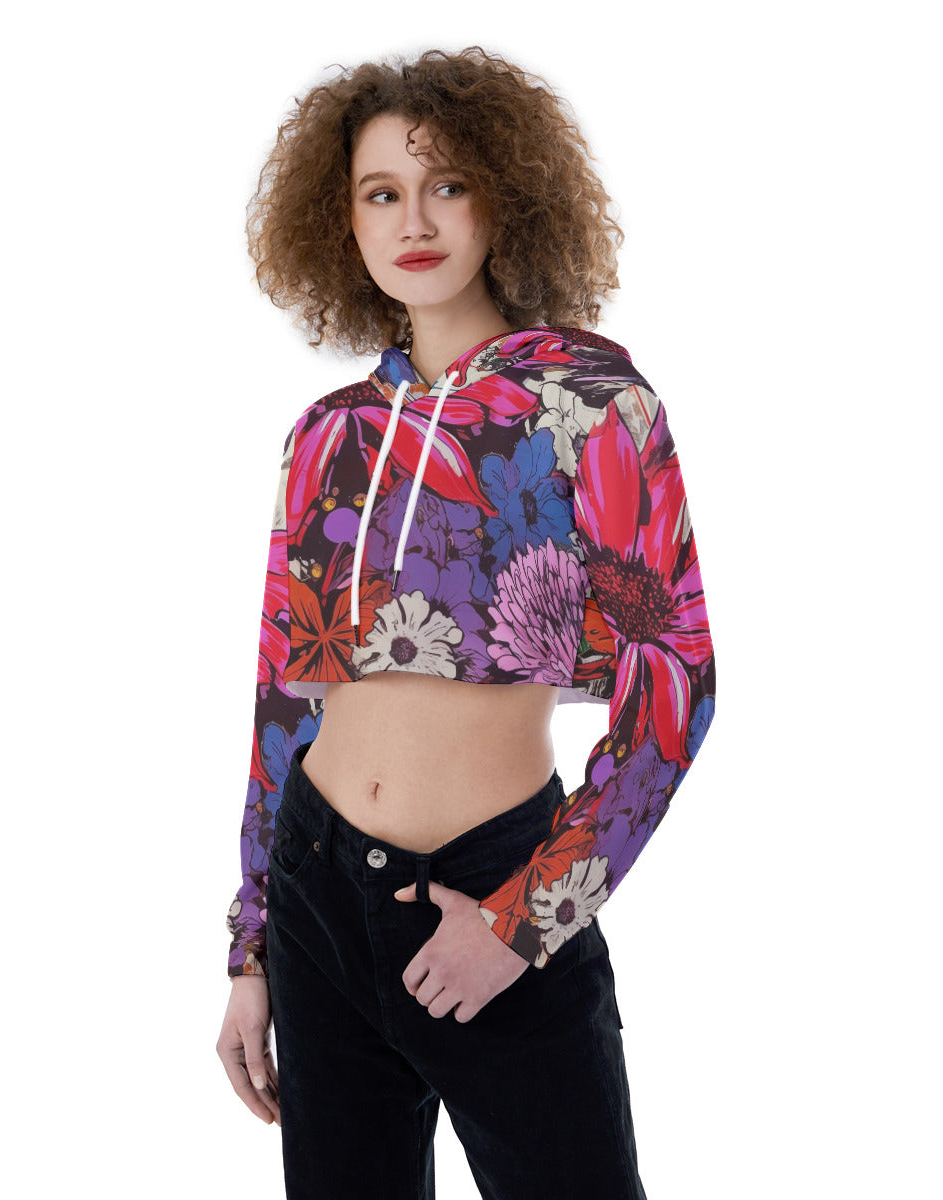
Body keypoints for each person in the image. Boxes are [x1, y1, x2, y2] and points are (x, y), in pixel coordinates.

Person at [215, 45, 716, 1200]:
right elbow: (285, 701)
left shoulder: (593, 404)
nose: (415, 220)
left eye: (447, 184)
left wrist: (521, 921)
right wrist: (252, 949)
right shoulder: (324, 436)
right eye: (380, 192)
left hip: (497, 888)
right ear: (340, 223)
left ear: (507, 197)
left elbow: (676, 693)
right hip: (316, 893)